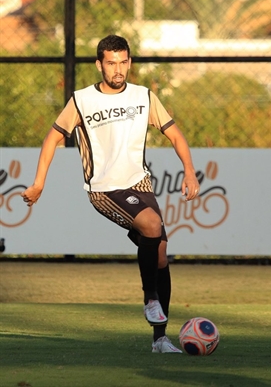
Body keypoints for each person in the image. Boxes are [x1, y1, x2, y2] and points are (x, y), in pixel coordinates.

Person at [21, 34, 200, 354]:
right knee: (151, 227)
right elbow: (52, 139)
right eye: (111, 63)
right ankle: (150, 298)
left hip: (140, 184)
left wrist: (188, 170)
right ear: (99, 64)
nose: (118, 69)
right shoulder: (82, 100)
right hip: (104, 188)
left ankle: (160, 339)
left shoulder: (144, 96)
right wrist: (38, 183)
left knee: (159, 251)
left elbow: (174, 134)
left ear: (130, 62)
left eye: (123, 62)